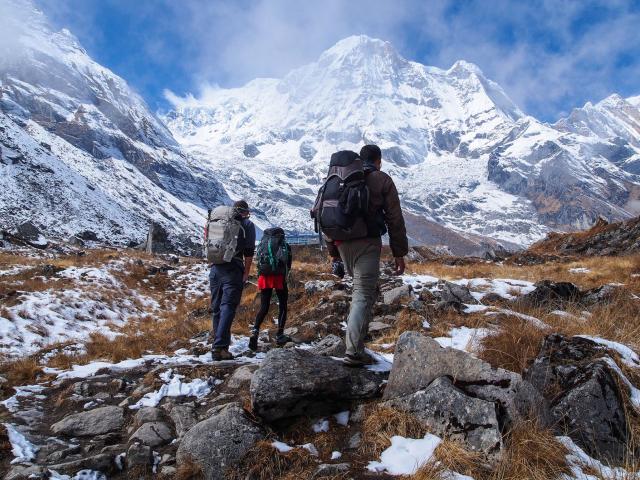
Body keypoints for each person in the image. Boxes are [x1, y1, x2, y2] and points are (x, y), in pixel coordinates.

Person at [327, 144, 408, 367]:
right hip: (367, 245)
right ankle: (353, 352)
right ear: (378, 160)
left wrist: (333, 254)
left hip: (341, 243)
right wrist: (399, 253)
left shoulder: (339, 179)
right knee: (362, 294)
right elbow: (395, 219)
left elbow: (327, 213)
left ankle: (356, 345)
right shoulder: (382, 179)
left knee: (364, 291)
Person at [209, 200, 256, 361]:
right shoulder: (247, 224)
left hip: (215, 268)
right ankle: (220, 347)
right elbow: (249, 252)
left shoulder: (217, 221)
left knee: (216, 308)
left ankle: (217, 345)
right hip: (234, 267)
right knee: (228, 306)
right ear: (245, 212)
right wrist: (246, 272)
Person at [248, 228, 293, 351]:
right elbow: (288, 264)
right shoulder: (284, 245)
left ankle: (255, 331)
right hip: (278, 277)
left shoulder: (263, 243)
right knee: (283, 305)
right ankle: (280, 335)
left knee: (264, 306)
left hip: (264, 276)